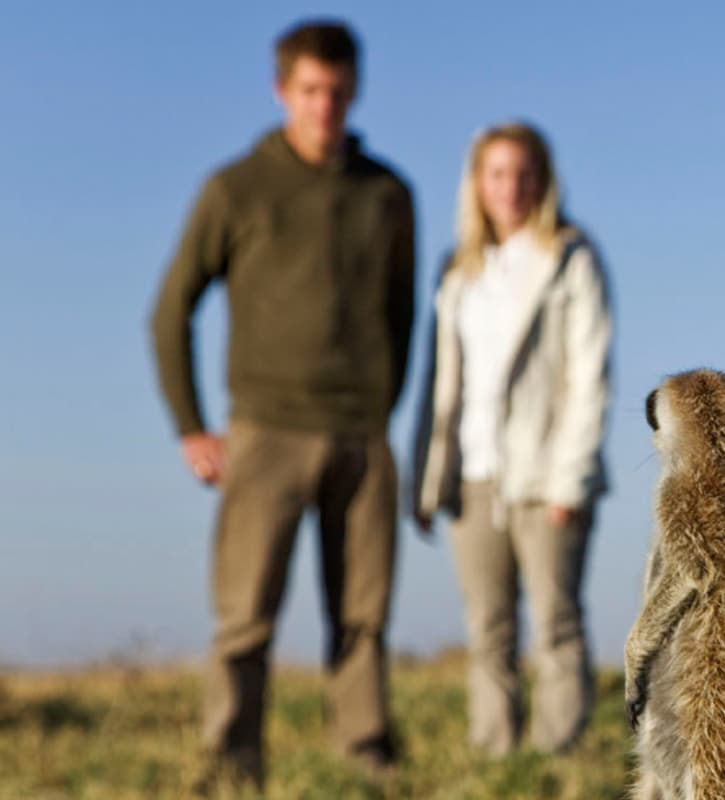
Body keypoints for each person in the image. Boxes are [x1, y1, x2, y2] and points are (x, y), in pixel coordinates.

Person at [147, 19, 414, 784]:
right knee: (245, 615)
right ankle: (231, 762)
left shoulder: (388, 194)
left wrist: (382, 407)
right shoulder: (235, 188)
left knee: (363, 614)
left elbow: (400, 315)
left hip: (363, 433)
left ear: (355, 90)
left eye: (336, 91)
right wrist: (191, 426)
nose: (324, 106)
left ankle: (367, 759)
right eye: (309, 91)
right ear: (281, 91)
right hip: (265, 429)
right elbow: (171, 310)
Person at [411, 121, 613, 756]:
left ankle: (558, 760)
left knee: (556, 622)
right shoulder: (458, 270)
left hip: (547, 476)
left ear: (544, 180)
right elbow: (441, 384)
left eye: (524, 173)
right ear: (477, 183)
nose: (511, 187)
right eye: (497, 173)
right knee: (487, 630)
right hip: (474, 475)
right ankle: (497, 761)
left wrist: (569, 477)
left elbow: (590, 375)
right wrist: (428, 477)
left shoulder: (571, 258)